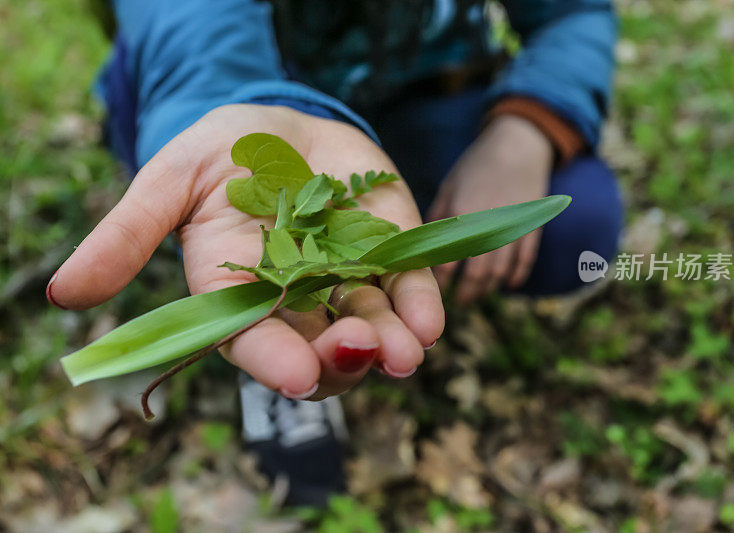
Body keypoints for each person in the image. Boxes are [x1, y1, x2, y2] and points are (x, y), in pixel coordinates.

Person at [46, 0, 623, 505]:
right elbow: (195, 30)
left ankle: (308, 312)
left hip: (420, 87)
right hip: (228, 82)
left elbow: (573, 11)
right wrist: (241, 105)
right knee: (210, 205)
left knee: (578, 225)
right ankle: (274, 336)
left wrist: (525, 128)